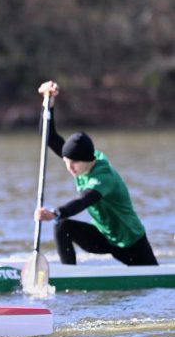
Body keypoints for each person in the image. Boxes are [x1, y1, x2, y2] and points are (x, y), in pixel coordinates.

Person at [33, 81, 157, 266]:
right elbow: (49, 138)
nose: (70, 168)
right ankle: (70, 275)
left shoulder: (103, 177)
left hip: (131, 242)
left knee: (153, 280)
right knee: (62, 226)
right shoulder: (81, 159)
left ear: (87, 160)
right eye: (66, 162)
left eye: (74, 163)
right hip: (103, 237)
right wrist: (48, 104)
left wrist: (55, 212)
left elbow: (84, 200)